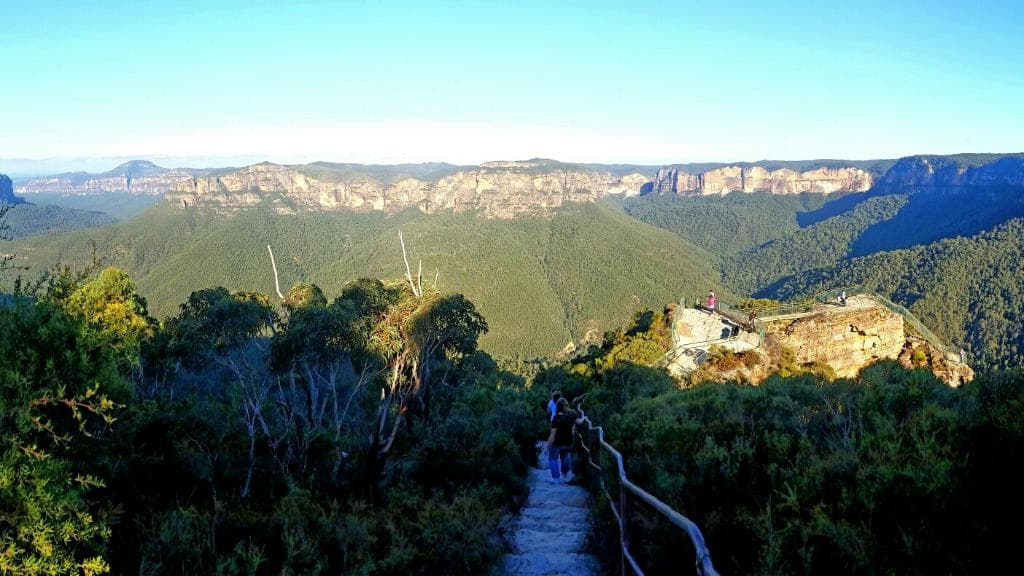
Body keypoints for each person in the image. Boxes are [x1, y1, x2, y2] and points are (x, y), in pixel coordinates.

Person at [547, 398, 584, 484]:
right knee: (565, 455)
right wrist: (583, 417)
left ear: (558, 407)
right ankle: (565, 474)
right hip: (568, 442)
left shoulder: (556, 418)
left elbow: (552, 435)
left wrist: (549, 444)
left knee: (552, 458)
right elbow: (579, 422)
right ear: (567, 405)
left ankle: (556, 479)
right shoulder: (572, 414)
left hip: (556, 443)